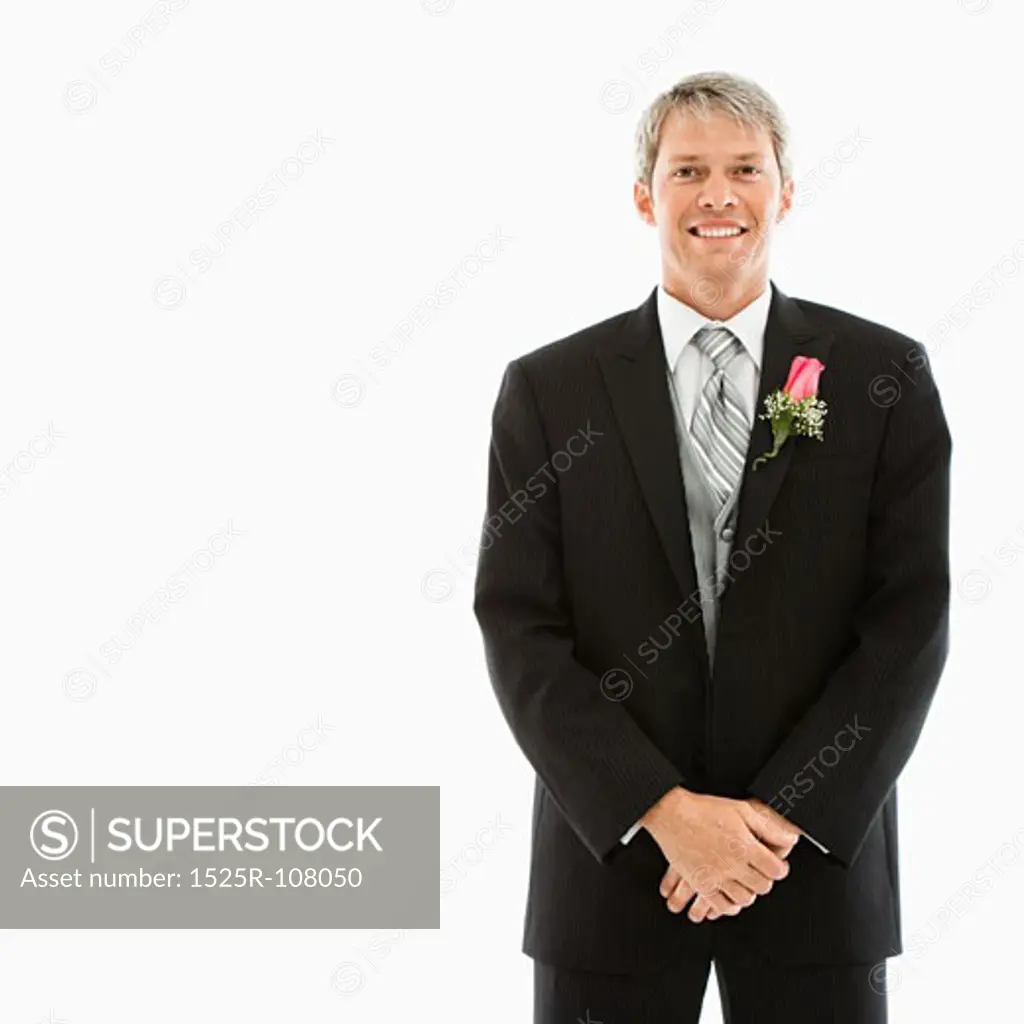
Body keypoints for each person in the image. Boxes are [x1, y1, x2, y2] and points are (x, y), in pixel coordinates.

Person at [472, 70, 951, 1022]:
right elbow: (520, 630)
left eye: (745, 168)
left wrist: (777, 821)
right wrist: (662, 810)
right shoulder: (548, 390)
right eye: (688, 170)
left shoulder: (881, 375)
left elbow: (908, 625)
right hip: (613, 874)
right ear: (646, 194)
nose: (718, 195)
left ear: (786, 188)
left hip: (812, 873)